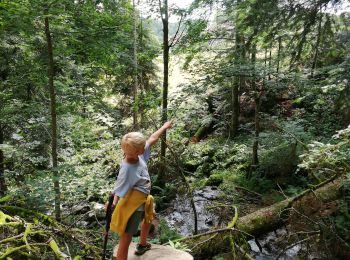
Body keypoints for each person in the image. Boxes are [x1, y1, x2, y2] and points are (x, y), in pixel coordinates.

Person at [109, 121, 172, 260]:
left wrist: (163, 127)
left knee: (149, 217)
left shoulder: (138, 155)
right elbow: (118, 190)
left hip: (144, 198)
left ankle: (142, 244)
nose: (146, 147)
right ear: (138, 151)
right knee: (125, 239)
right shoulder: (126, 169)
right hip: (132, 205)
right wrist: (113, 203)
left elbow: (152, 139)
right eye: (143, 147)